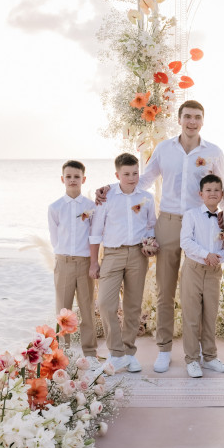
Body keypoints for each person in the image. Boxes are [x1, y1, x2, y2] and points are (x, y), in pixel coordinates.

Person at [95, 100, 224, 374]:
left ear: (203, 120)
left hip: (200, 224)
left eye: (197, 117)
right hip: (168, 222)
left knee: (199, 294)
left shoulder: (214, 152)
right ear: (179, 119)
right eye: (187, 116)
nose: (192, 121)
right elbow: (143, 180)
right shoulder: (164, 149)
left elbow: (219, 189)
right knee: (165, 290)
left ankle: (205, 353)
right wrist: (111, 188)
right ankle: (164, 349)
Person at [89, 153, 157, 373]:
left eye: (135, 173)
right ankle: (116, 353)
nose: (132, 178)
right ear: (117, 175)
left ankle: (128, 353)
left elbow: (151, 226)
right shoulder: (106, 197)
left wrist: (150, 243)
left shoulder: (147, 197)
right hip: (112, 254)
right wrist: (93, 263)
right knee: (105, 303)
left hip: (138, 255)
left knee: (132, 307)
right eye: (126, 174)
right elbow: (95, 232)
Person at [47, 160, 99, 369]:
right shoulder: (55, 207)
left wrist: (93, 262)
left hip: (85, 263)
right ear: (62, 179)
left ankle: (90, 352)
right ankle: (63, 351)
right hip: (64, 262)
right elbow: (54, 238)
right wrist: (64, 256)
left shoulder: (91, 206)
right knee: (63, 311)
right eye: (68, 177)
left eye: (77, 177)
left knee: (87, 309)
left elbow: (94, 235)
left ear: (83, 179)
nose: (72, 180)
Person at [178, 174, 224, 378]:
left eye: (216, 190)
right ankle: (192, 359)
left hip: (213, 271)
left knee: (210, 316)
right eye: (208, 190)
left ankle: (209, 357)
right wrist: (205, 254)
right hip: (193, 269)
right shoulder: (191, 215)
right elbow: (186, 242)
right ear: (201, 194)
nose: (212, 193)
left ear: (222, 194)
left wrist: (219, 257)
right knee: (191, 316)